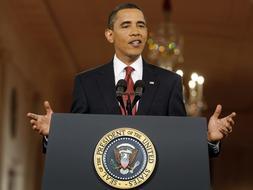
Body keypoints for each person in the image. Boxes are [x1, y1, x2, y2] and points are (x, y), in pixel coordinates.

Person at [27, 3, 236, 157]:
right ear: (110, 35)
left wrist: (209, 139)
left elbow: (179, 142)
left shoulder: (170, 82)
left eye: (141, 26)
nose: (136, 31)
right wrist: (54, 134)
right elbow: (78, 142)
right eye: (126, 25)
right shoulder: (87, 82)